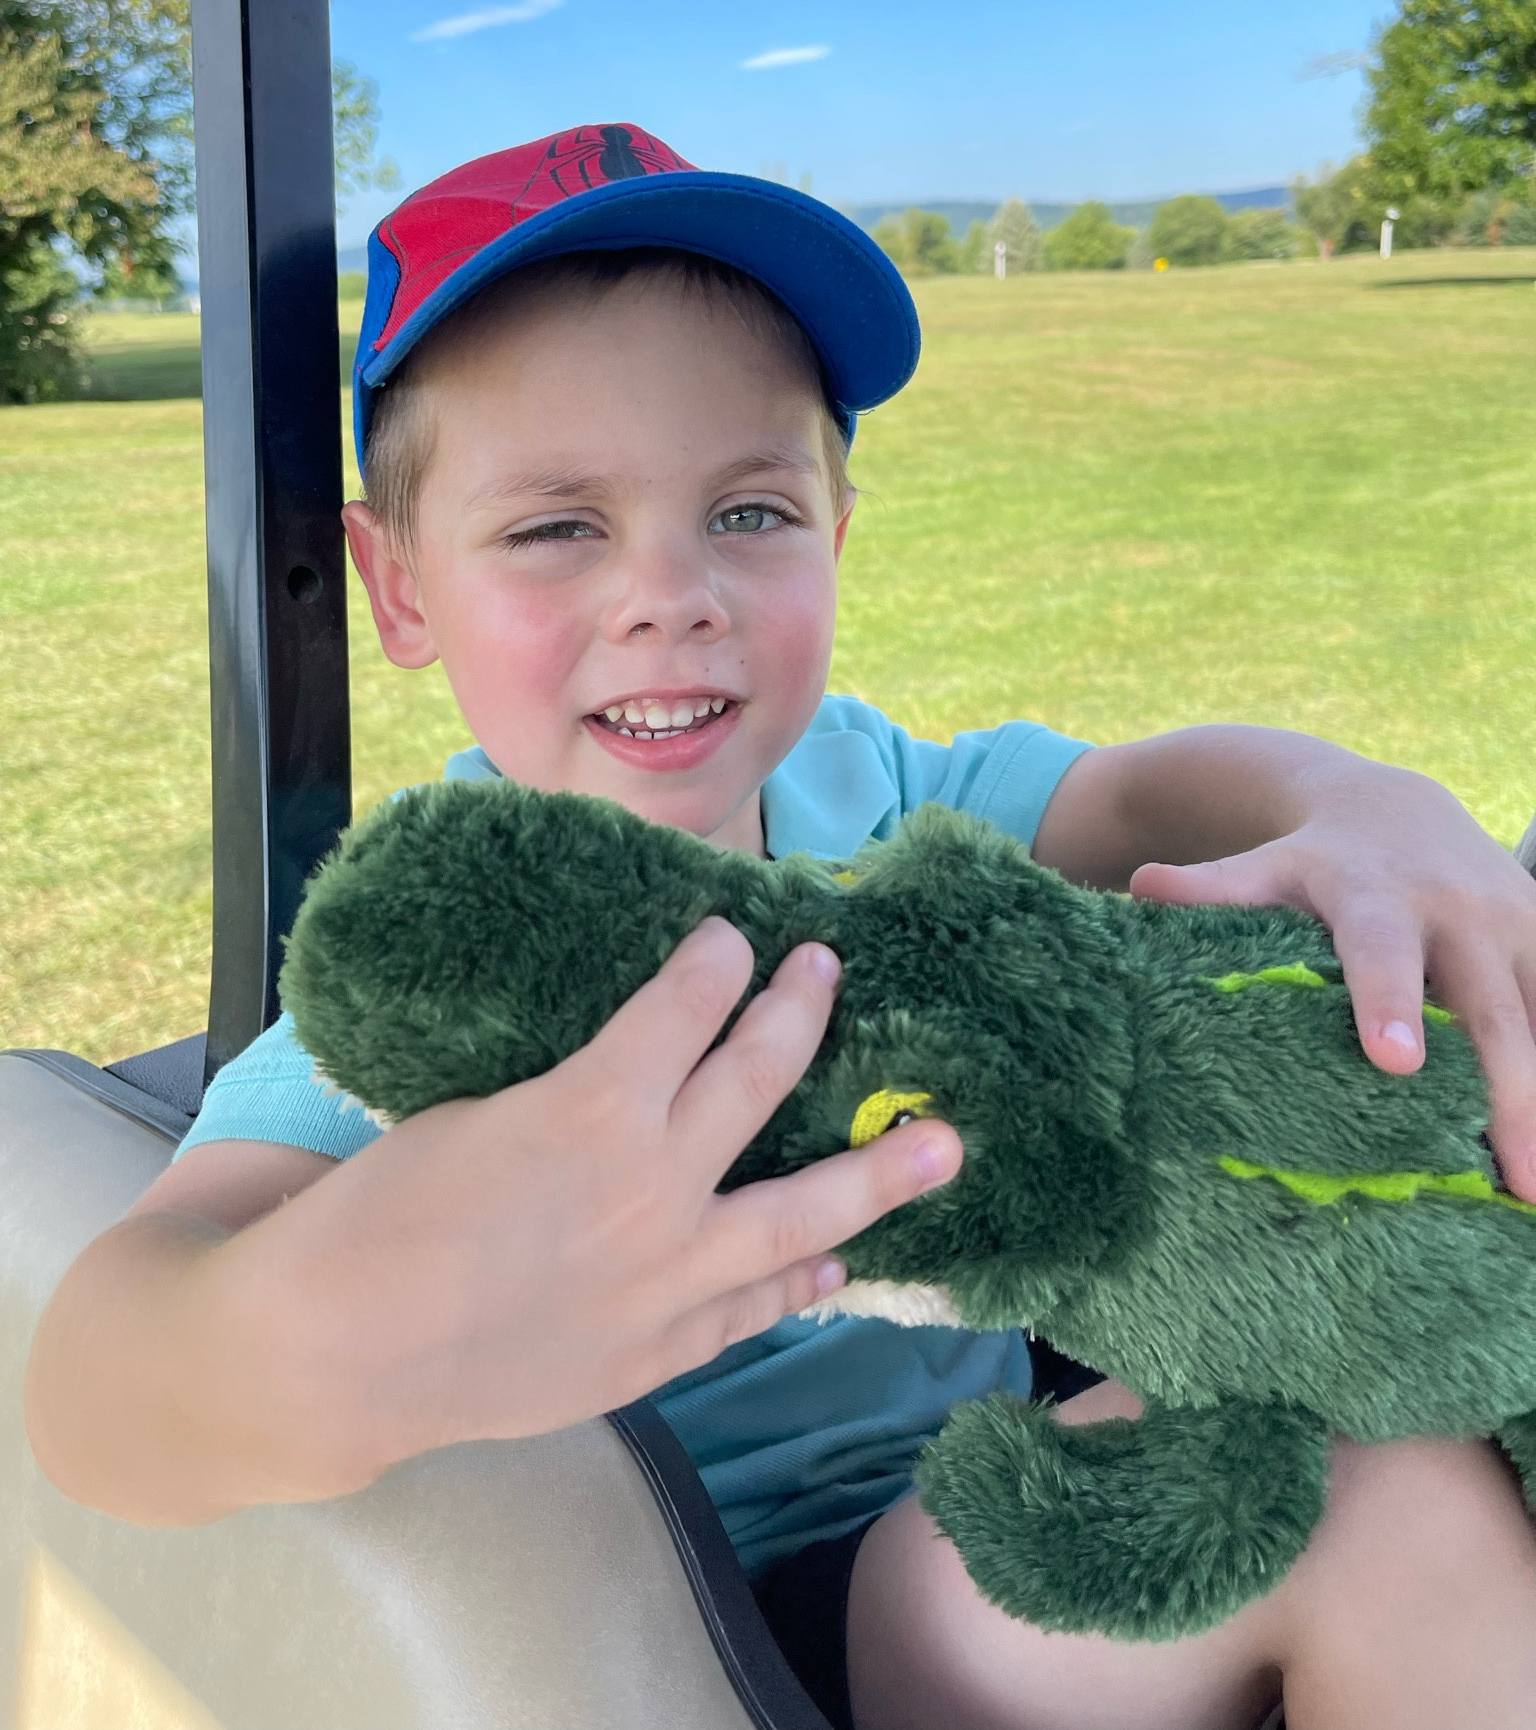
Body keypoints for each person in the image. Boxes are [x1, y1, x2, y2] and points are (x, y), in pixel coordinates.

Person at [25, 123, 1536, 1730]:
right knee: (1381, 1496)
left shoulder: (873, 797)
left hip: (1020, 1453)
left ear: (839, 523)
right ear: (398, 589)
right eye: (556, 528)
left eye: (748, 511)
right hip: (745, 1632)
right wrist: (333, 1331)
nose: (672, 592)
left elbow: (1150, 802)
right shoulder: (441, 973)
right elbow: (98, 1382)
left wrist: (1368, 804)